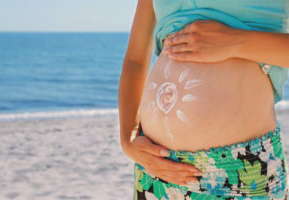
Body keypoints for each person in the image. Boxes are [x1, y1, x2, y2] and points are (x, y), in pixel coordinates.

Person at [118, 0, 289, 199]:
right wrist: (128, 141)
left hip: (240, 172)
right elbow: (135, 60)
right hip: (156, 170)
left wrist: (235, 41)